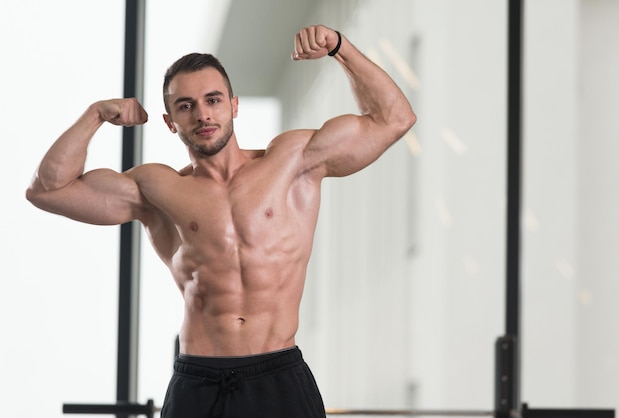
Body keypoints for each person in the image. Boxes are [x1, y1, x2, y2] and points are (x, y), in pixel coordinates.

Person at [26, 24, 416, 417]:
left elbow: (394, 119)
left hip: (278, 374)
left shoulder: (294, 161)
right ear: (169, 121)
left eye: (213, 100)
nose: (202, 114)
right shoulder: (156, 188)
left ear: (234, 105)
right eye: (185, 105)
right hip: (199, 381)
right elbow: (48, 190)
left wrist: (340, 48)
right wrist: (95, 114)